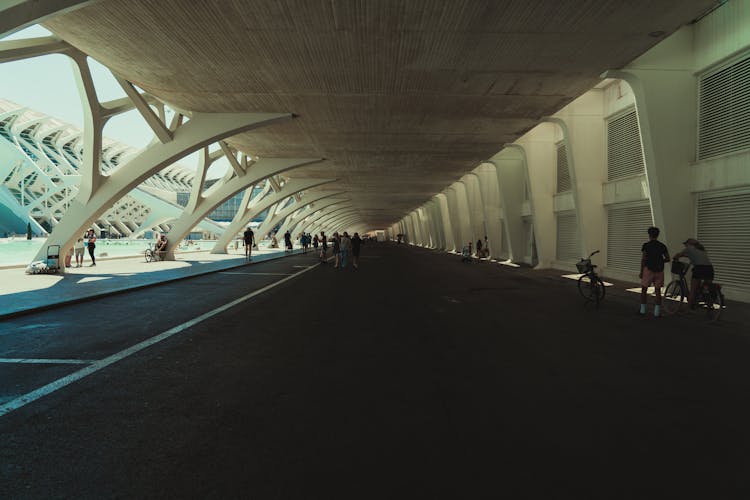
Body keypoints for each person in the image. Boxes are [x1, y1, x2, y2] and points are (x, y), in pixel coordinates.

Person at [672, 238, 714, 309]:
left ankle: (688, 308)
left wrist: (675, 258)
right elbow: (692, 257)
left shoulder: (688, 249)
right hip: (709, 269)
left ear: (689, 244)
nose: (685, 246)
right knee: (706, 287)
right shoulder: (702, 249)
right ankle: (709, 304)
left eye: (686, 244)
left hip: (699, 268)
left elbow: (678, 255)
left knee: (693, 290)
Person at [639, 226, 670, 317]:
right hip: (659, 270)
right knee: (657, 291)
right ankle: (656, 312)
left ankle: (642, 310)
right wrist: (660, 261)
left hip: (648, 270)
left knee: (644, 290)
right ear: (657, 235)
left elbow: (643, 259)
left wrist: (641, 271)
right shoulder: (662, 246)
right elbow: (668, 258)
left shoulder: (646, 245)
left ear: (649, 235)